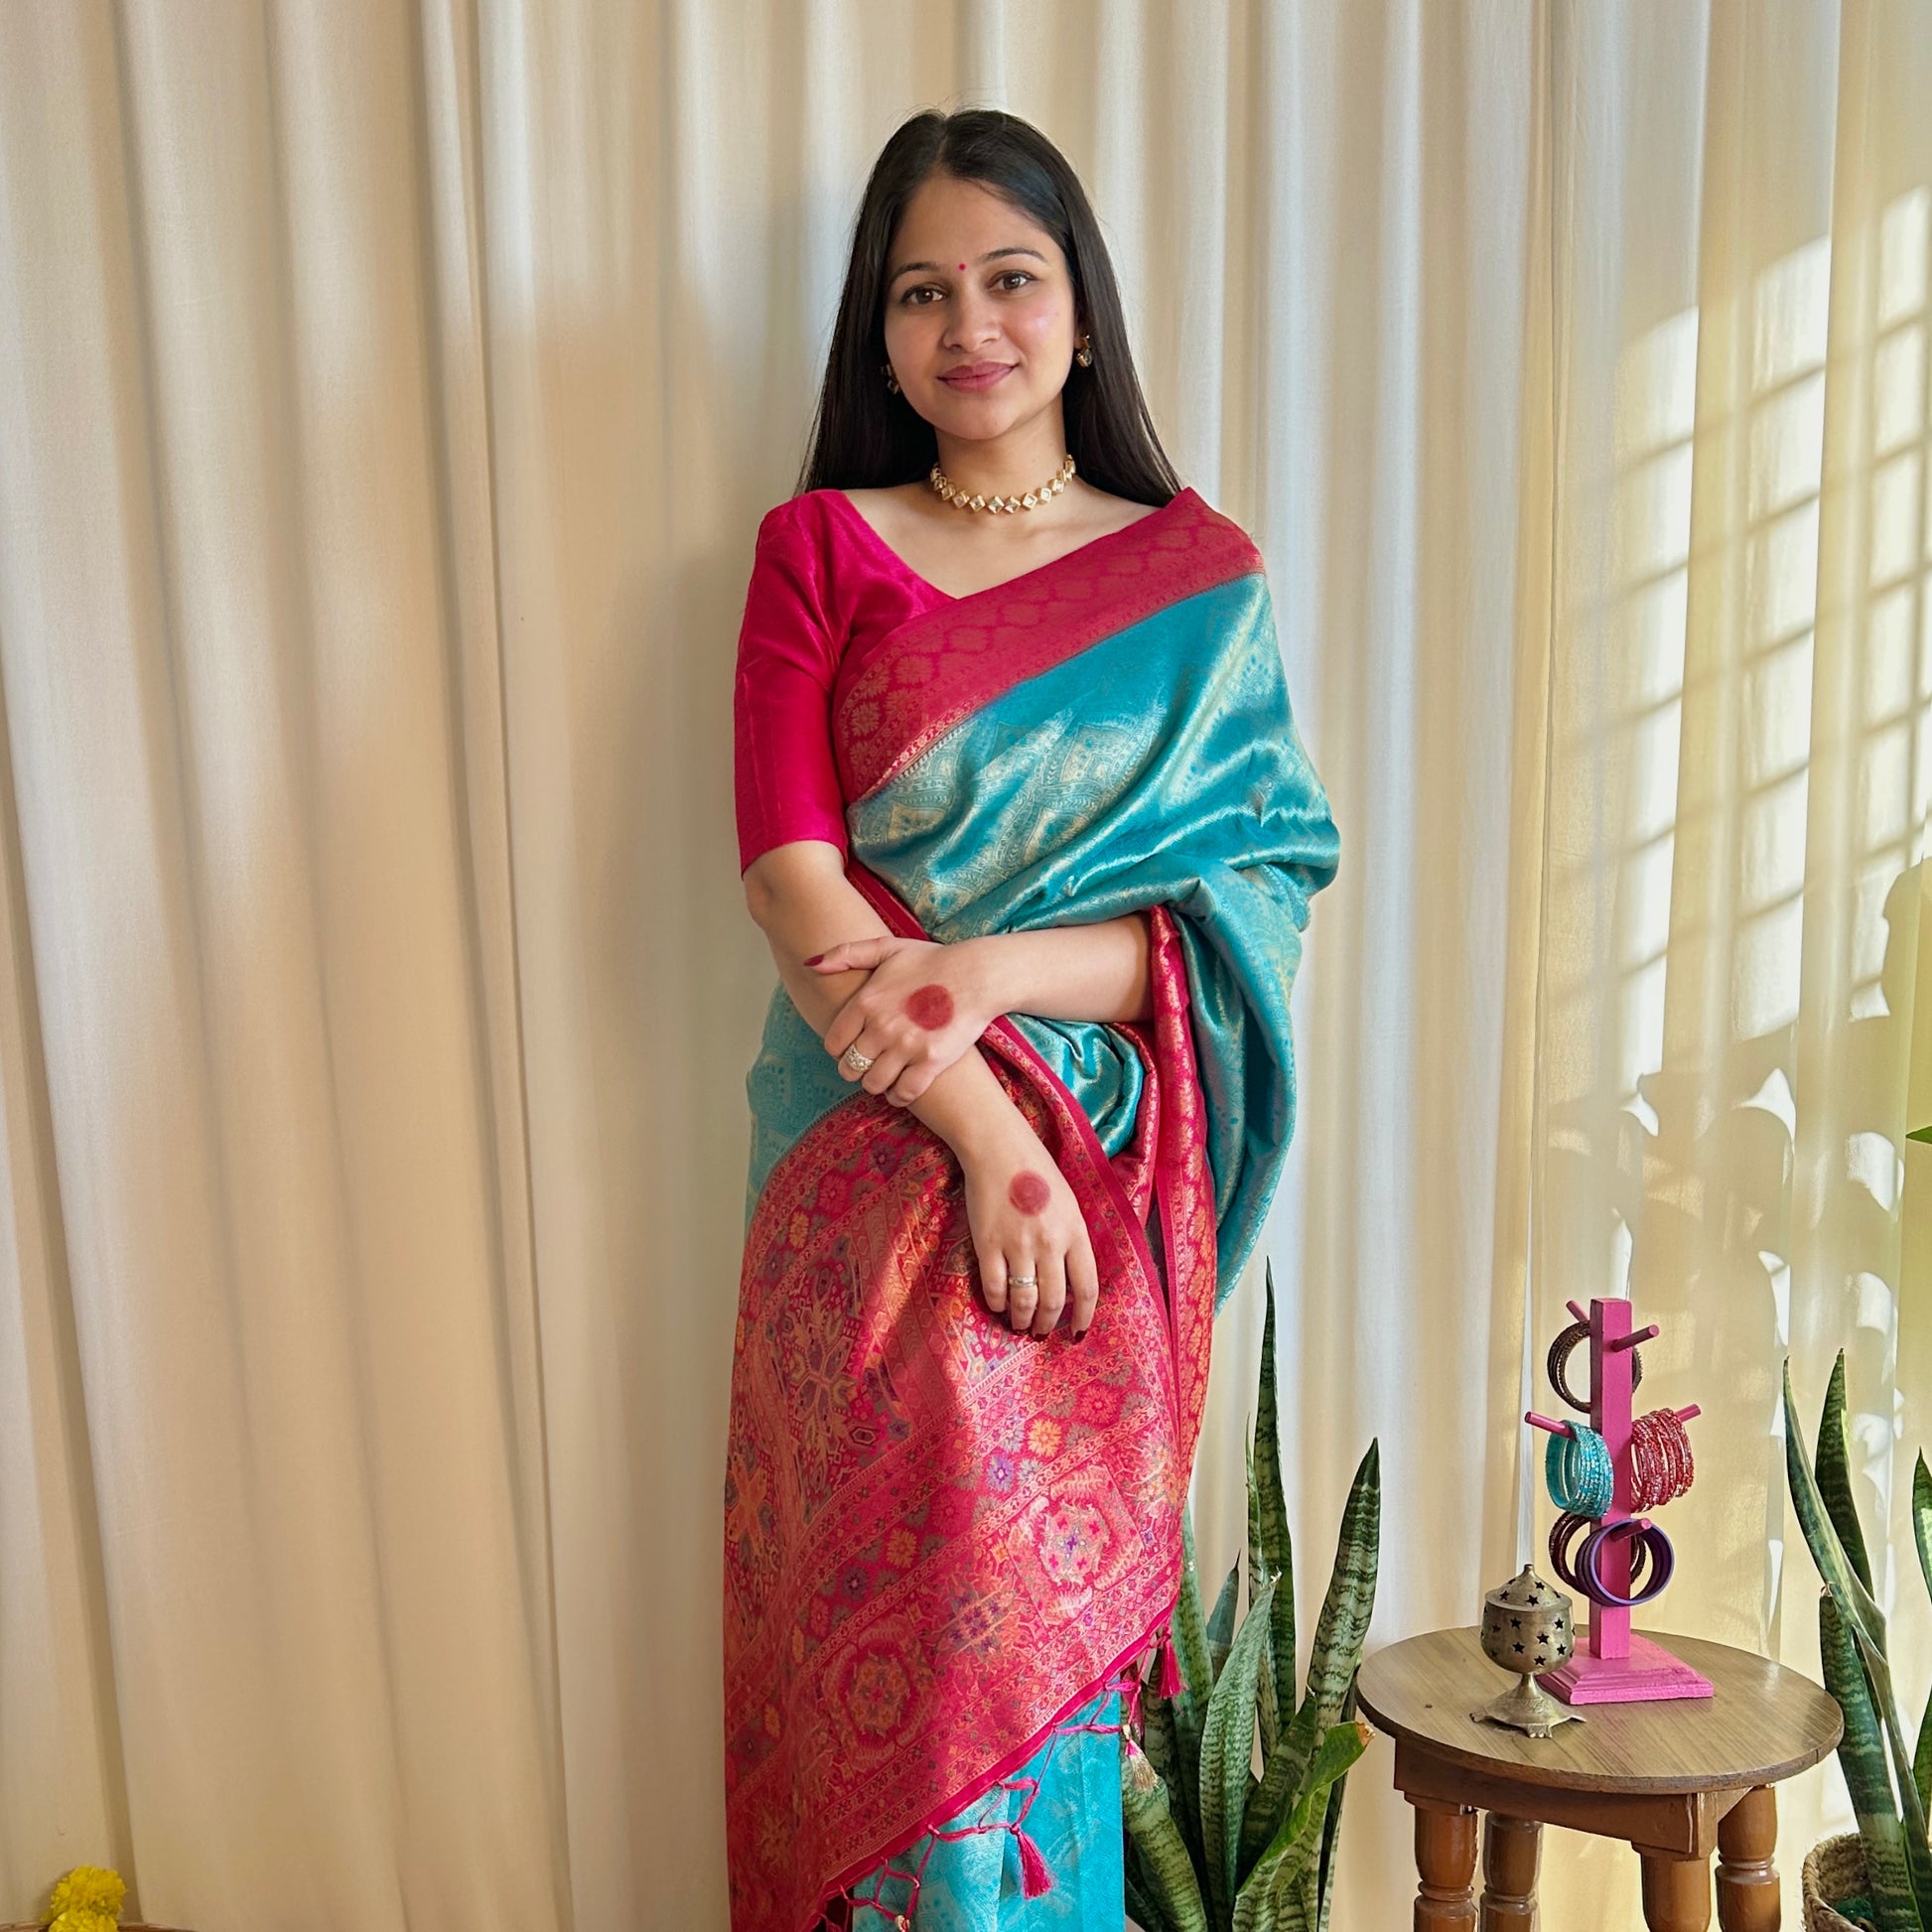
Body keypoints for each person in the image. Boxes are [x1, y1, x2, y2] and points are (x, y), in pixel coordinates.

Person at [724, 105, 1339, 1932]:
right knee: (882, 1688)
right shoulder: (819, 546)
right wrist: (988, 1138)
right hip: (871, 1176)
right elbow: (791, 886)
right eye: (921, 293)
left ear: (1081, 310)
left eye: (1010, 277)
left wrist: (989, 969)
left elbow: (1240, 910)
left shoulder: (1196, 578)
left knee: (1040, 1693)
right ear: (878, 332)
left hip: (1105, 1182)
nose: (967, 325)